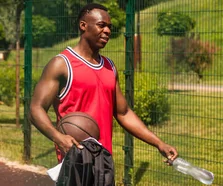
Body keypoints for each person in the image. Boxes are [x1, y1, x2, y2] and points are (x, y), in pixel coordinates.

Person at [29, 3, 178, 168]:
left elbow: (124, 112)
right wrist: (59, 138)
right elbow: (36, 109)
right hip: (74, 161)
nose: (107, 31)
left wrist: (159, 143)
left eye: (109, 27)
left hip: (104, 161)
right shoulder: (62, 64)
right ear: (83, 25)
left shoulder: (109, 67)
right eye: (101, 25)